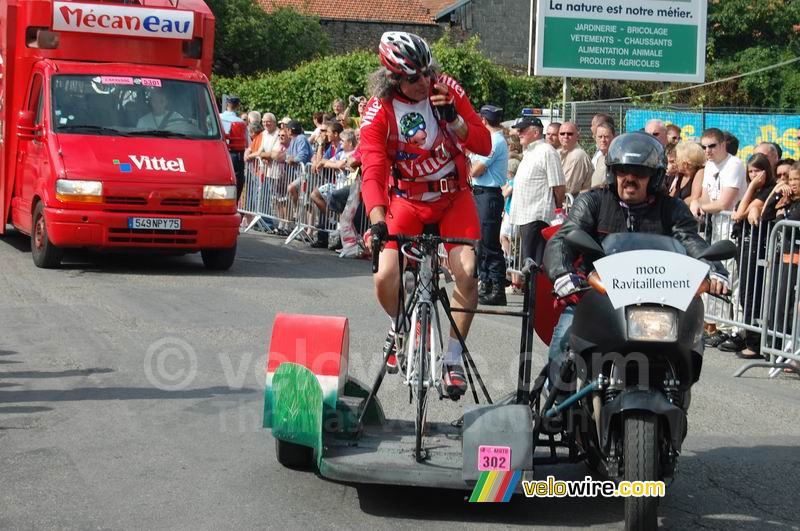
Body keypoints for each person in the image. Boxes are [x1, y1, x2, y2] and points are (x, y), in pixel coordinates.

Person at [360, 31, 491, 397]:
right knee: (385, 275)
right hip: (408, 200)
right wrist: (378, 221)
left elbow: (483, 143)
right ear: (393, 79)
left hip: (453, 197)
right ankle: (398, 325)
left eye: (428, 71)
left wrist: (455, 120)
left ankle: (452, 359)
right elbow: (372, 170)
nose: (424, 81)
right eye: (414, 77)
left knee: (467, 273)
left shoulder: (446, 89)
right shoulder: (379, 111)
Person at [543, 132, 730, 362]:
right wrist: (563, 272)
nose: (630, 178)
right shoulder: (593, 201)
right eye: (623, 170)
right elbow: (564, 238)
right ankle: (557, 385)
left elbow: (690, 240)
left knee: (691, 345)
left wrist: (713, 268)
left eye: (640, 172)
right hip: (598, 295)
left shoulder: (672, 209)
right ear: (613, 173)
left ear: (655, 177)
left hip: (658, 300)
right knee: (562, 349)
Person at [722, 153, 777, 358]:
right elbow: (739, 213)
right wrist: (751, 188)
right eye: (751, 172)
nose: (754, 175)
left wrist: (752, 187)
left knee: (753, 295)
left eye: (758, 171)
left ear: (766, 171)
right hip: (744, 246)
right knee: (745, 294)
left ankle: (754, 344)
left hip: (757, 248)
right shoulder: (754, 191)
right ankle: (749, 338)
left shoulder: (769, 190)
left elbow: (738, 214)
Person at [508, 116, 566, 266]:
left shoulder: (547, 151)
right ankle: (529, 282)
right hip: (525, 216)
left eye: (523, 130)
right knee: (527, 263)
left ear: (535, 133)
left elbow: (558, 185)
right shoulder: (529, 152)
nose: (519, 133)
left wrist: (557, 208)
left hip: (537, 216)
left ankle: (534, 282)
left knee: (534, 264)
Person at [469, 105, 509, 306]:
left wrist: (471, 162)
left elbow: (476, 170)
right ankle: (486, 282)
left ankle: (497, 287)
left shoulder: (495, 141)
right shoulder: (490, 139)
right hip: (481, 194)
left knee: (489, 243)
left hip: (489, 194)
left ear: (483, 121)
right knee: (481, 241)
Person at [690, 128, 747, 217]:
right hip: (715, 222)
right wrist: (695, 202)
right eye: (704, 147)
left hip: (733, 222)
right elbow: (705, 198)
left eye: (712, 146)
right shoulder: (709, 165)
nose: (707, 150)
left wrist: (701, 207)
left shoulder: (734, 164)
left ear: (723, 145)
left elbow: (723, 204)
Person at [219, 96, 246, 200]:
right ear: (237, 106)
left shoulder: (218, 118)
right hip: (234, 155)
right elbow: (246, 143)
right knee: (237, 180)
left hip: (219, 152)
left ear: (227, 104)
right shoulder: (240, 122)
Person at [558, 121, 593, 196]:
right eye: (562, 133)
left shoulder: (578, 155)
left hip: (571, 201)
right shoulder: (559, 152)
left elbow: (569, 188)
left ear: (578, 136)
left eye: (570, 134)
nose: (565, 136)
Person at [671, 141, 705, 206]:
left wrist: (675, 206)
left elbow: (694, 198)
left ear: (685, 163)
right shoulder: (681, 174)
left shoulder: (700, 172)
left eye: (677, 159)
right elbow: (672, 195)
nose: (675, 162)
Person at [590, 121, 615, 188]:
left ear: (613, 137)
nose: (603, 140)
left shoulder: (615, 159)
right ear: (595, 138)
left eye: (606, 137)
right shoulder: (600, 158)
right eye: (600, 137)